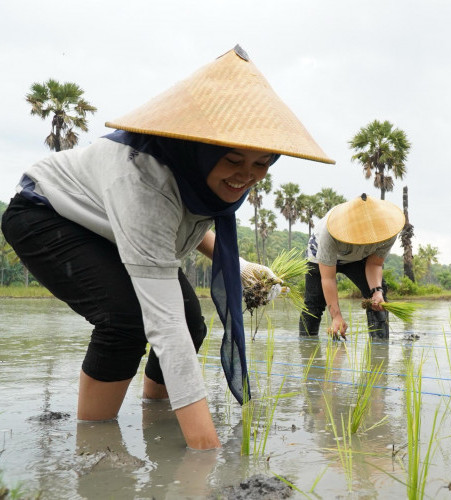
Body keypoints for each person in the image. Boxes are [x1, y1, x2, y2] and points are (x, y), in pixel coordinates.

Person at [0, 45, 334, 450]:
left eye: (262, 163)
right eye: (231, 159)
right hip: (47, 214)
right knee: (125, 319)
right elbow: (165, 325)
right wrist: (205, 454)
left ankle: (155, 415)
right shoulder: (142, 178)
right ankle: (96, 446)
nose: (246, 176)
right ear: (201, 148)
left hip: (109, 225)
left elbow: (178, 228)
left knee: (193, 321)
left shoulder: (199, 177)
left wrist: (242, 265)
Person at [298, 193, 405, 340]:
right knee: (313, 304)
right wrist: (336, 317)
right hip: (319, 256)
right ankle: (306, 347)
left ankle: (379, 345)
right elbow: (328, 278)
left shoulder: (388, 232)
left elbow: (374, 263)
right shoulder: (328, 234)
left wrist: (377, 292)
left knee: (378, 298)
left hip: (357, 258)